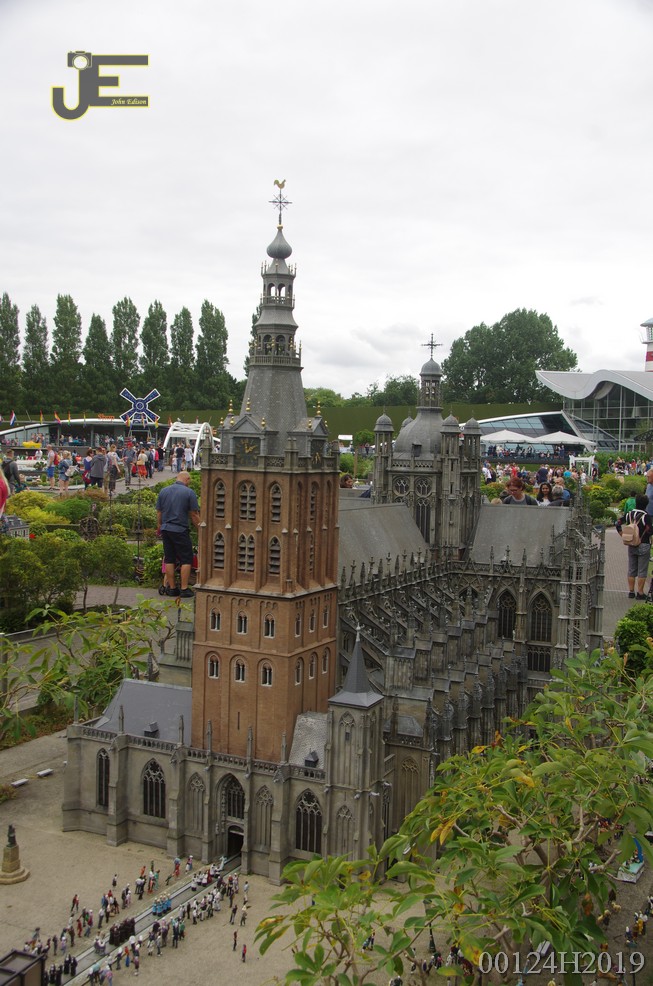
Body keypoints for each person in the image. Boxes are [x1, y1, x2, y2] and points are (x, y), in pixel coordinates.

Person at [156, 472, 200, 598]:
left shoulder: (163, 491)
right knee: (186, 558)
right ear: (187, 479)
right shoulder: (189, 492)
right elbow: (194, 514)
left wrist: (159, 526)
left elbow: (159, 512)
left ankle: (172, 588)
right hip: (180, 530)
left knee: (169, 559)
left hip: (166, 529)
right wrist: (201, 529)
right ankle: (184, 588)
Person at [616, 493, 652, 599]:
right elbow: (650, 530)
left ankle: (631, 591)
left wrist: (622, 535)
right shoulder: (646, 516)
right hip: (643, 544)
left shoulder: (629, 514)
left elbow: (618, 523)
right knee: (642, 570)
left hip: (631, 544)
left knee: (631, 569)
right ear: (646, 504)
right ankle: (640, 593)